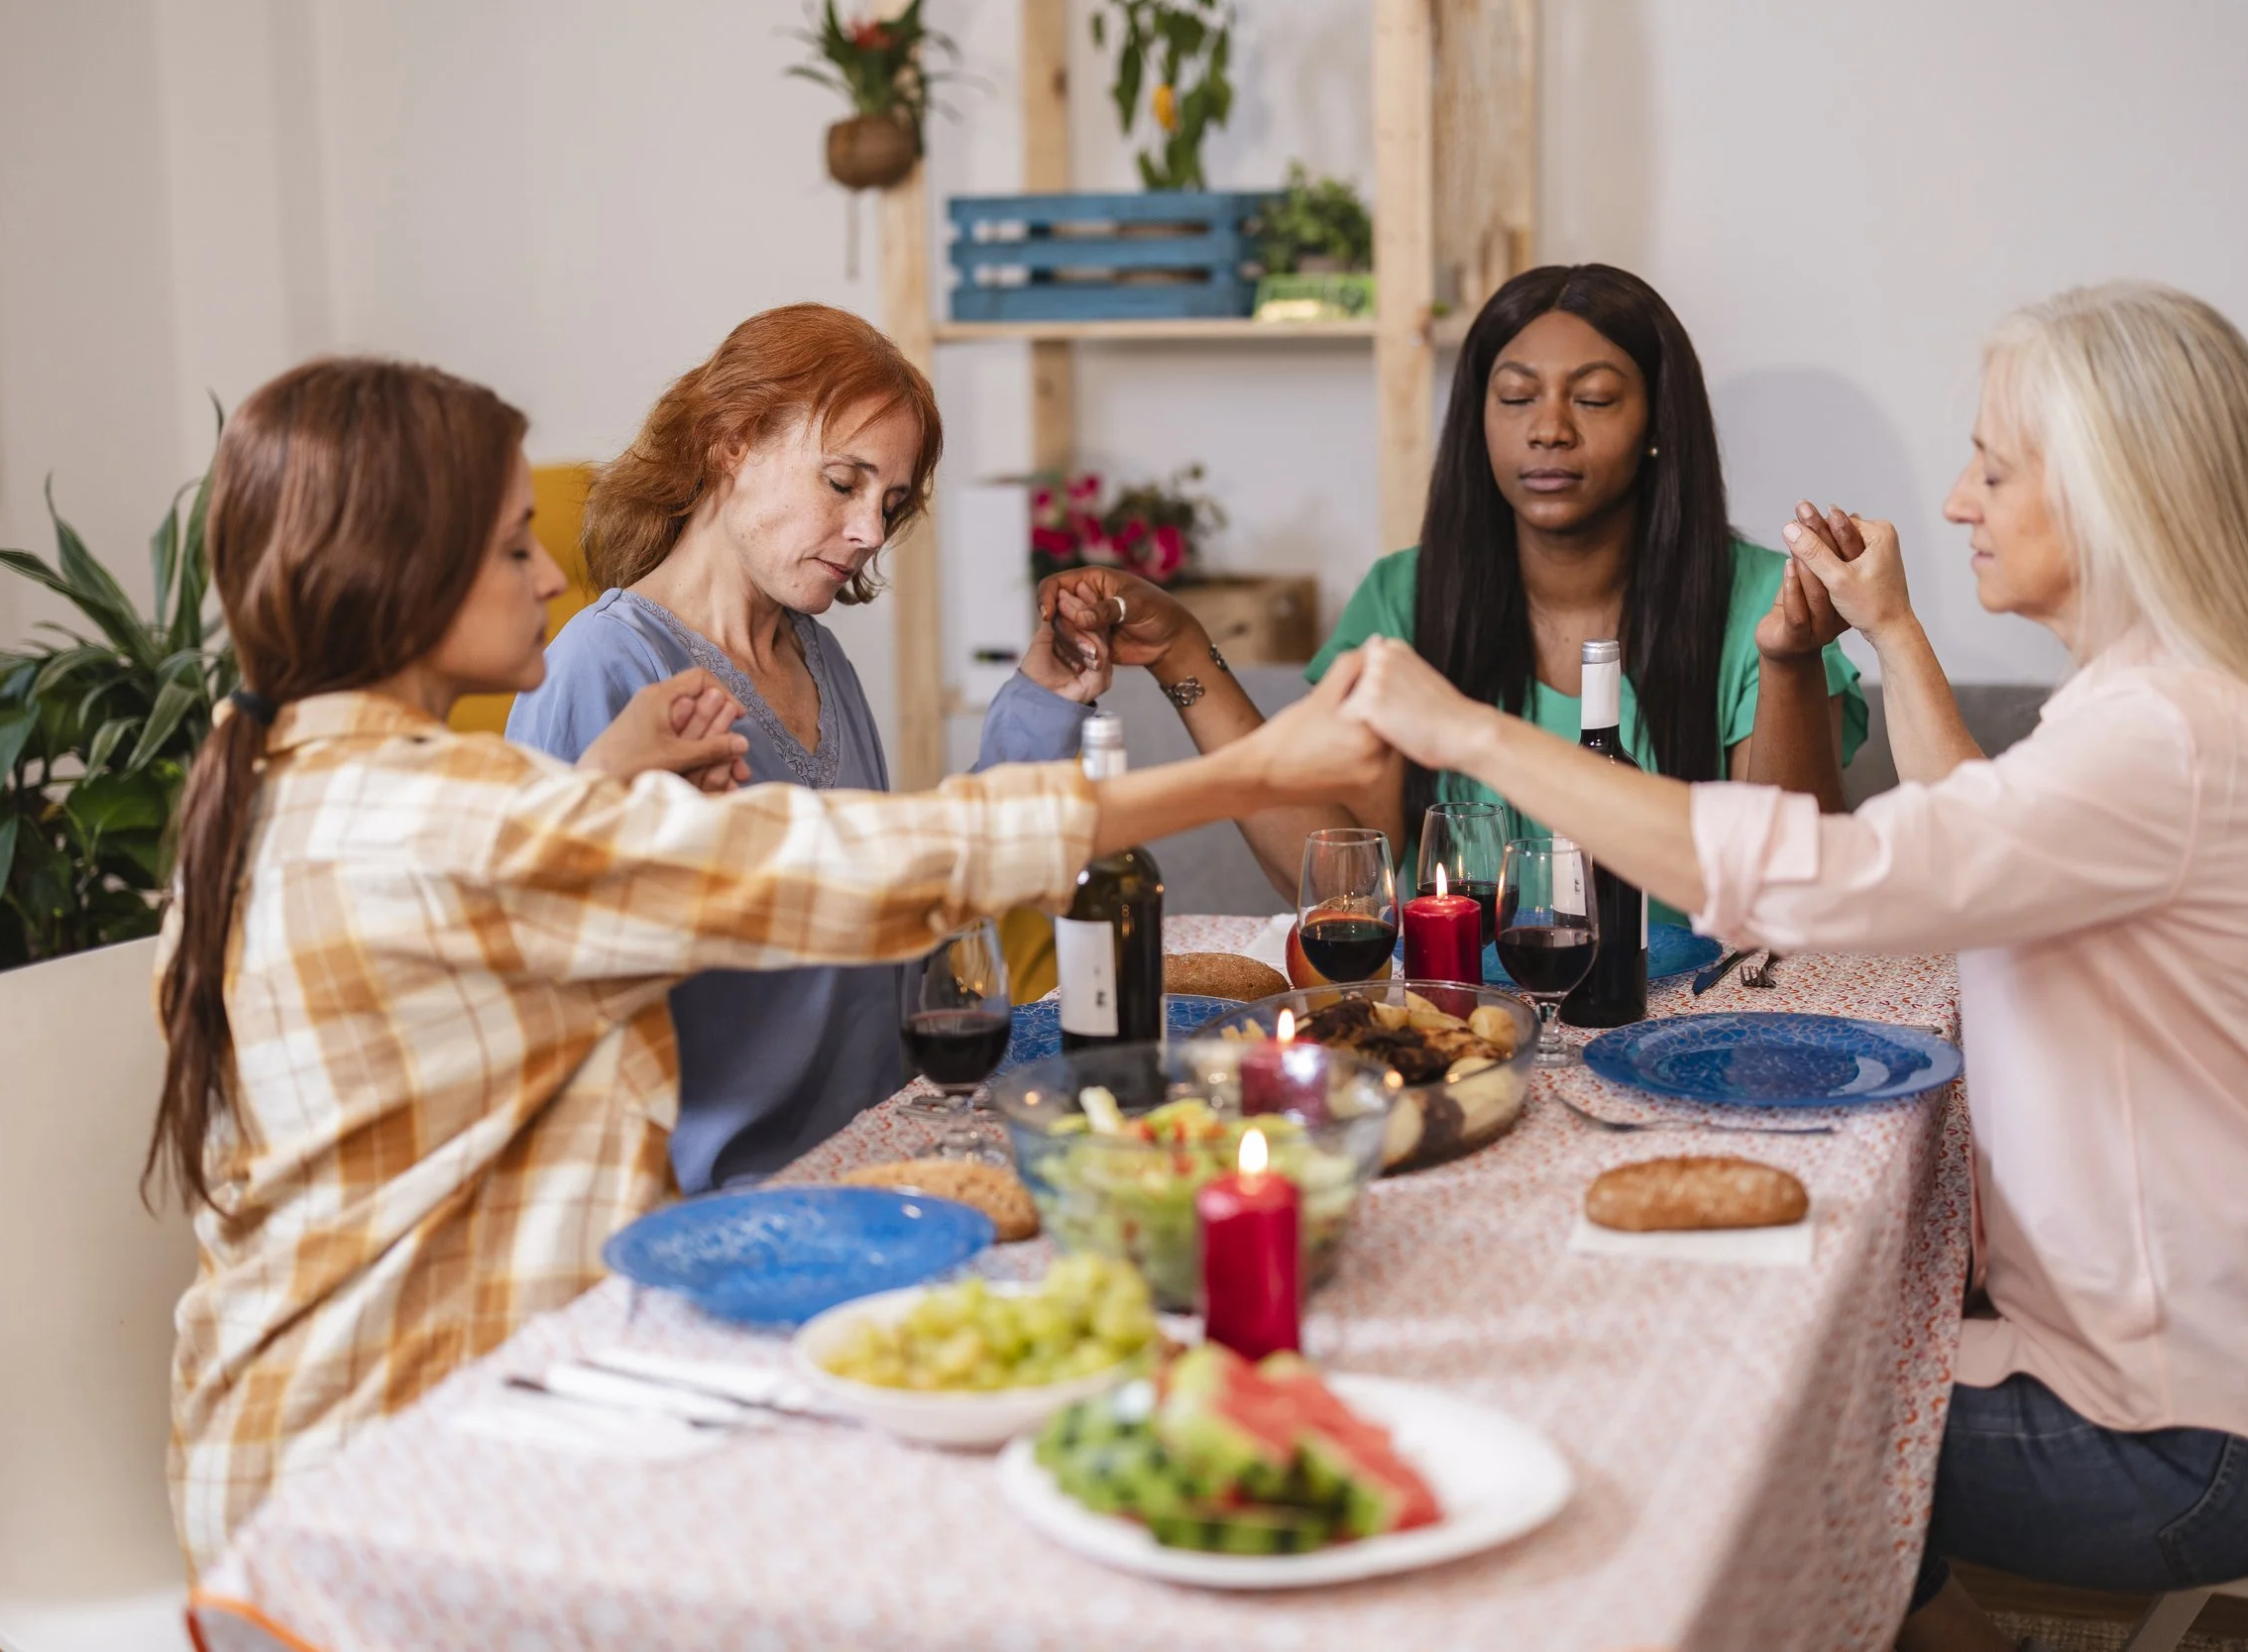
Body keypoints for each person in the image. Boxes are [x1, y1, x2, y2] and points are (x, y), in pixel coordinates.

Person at [155, 356, 1391, 1566]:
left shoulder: (320, 780)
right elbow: (843, 863)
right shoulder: (439, 808)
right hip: (371, 1469)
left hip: (385, 1405)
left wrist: (601, 795)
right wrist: (1244, 774)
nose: (547, 573)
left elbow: (512, 936)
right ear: (399, 573)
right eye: (512, 543)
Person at [1327, 282, 2248, 1649]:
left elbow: (1815, 876)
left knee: (1698, 1424)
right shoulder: (2168, 714)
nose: (1954, 501)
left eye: (1994, 466)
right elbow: (1976, 840)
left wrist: (1470, 734)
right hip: (2219, 1379)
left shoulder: (2163, 739)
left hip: (2188, 1435)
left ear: (2114, 491)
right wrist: (1896, 623)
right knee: (1742, 1338)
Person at [508, 304, 1109, 1190]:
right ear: (731, 443)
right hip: (722, 1202)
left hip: (878, 1152)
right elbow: (536, 990)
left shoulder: (815, 653)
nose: (870, 529)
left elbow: (897, 892)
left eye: (889, 502)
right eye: (843, 483)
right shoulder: (599, 668)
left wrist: (1042, 700)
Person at [1039, 263, 1867, 905]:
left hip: (1698, 1027)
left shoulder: (1764, 604)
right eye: (1515, 397)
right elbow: (1345, 879)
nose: (1549, 428)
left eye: (1595, 398)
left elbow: (1796, 878)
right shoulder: (1406, 598)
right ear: (1479, 420)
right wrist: (1184, 648)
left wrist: (1791, 662)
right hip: (1472, 1023)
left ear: (1657, 425)